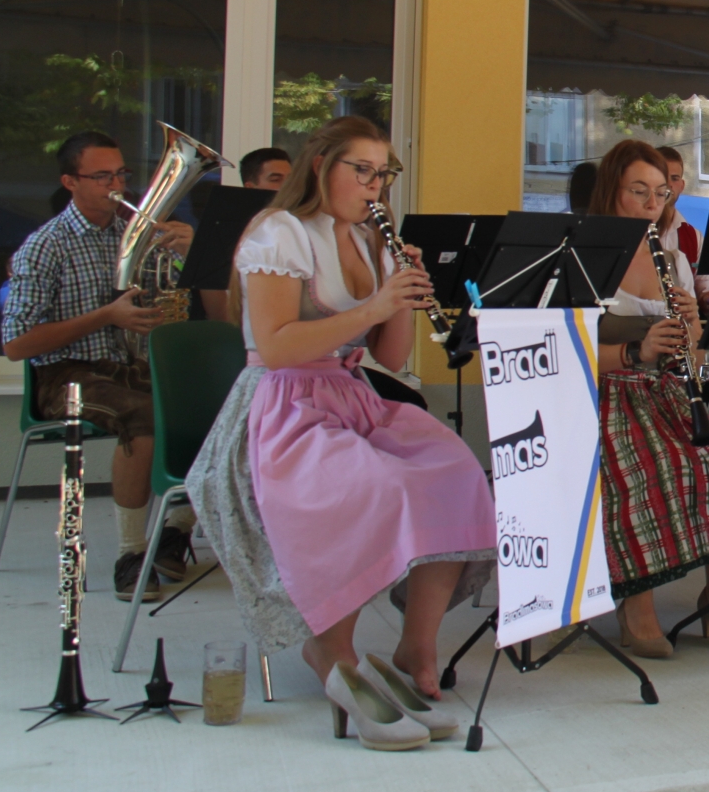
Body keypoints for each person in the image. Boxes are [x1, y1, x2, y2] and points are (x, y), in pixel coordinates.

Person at [185, 116, 496, 748]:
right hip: (280, 404)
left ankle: (416, 647)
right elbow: (276, 348)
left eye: (383, 174)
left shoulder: (367, 239)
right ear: (322, 165)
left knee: (455, 473)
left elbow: (388, 353)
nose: (375, 186)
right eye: (363, 171)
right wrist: (375, 303)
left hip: (349, 394)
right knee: (370, 487)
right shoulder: (279, 232)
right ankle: (333, 654)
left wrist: (401, 295)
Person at [3, 130, 195, 603]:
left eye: (121, 174)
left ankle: (174, 530)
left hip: (127, 364)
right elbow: (16, 344)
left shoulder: (138, 236)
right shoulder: (45, 245)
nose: (117, 186)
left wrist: (189, 253)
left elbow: (187, 299)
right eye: (102, 176)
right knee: (144, 419)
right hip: (64, 374)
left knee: (215, 408)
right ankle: (131, 554)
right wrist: (107, 316)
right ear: (70, 181)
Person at [590, 139, 709, 657]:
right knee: (654, 465)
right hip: (603, 392)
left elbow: (695, 361)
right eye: (638, 190)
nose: (651, 203)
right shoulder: (587, 256)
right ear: (611, 192)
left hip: (666, 391)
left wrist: (693, 326)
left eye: (661, 192)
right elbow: (559, 349)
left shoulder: (674, 258)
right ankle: (636, 603)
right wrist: (633, 351)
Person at [657, 145, 709, 306]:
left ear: (682, 185)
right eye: (662, 176)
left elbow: (704, 284)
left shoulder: (694, 236)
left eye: (674, 178)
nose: (669, 184)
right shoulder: (636, 231)